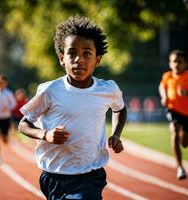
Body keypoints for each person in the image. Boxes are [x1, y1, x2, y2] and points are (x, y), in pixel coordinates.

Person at [18, 16, 127, 200]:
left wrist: (116, 134)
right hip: (53, 174)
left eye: (87, 53)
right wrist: (45, 134)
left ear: (97, 60)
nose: (79, 60)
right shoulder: (49, 90)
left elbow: (120, 108)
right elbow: (23, 124)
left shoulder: (107, 90)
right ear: (62, 58)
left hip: (90, 174)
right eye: (72, 53)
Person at [159, 49, 188, 180]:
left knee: (184, 143)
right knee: (175, 131)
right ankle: (180, 168)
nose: (176, 64)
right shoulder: (167, 76)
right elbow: (162, 87)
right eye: (174, 61)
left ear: (185, 64)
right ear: (170, 63)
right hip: (173, 110)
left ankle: (184, 133)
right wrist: (164, 96)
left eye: (180, 61)